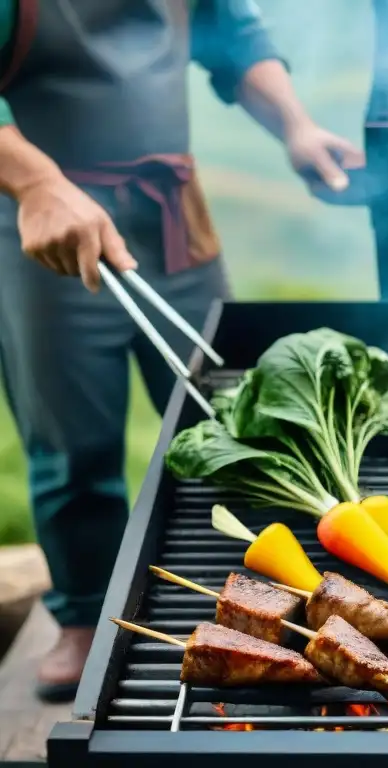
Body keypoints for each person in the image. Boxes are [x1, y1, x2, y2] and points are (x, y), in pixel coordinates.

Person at [0, 0, 363, 702]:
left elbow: (234, 33)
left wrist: (295, 123)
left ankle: (254, 598)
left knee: (225, 415)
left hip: (171, 212)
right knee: (72, 442)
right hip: (48, 228)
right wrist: (41, 184)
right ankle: (84, 616)